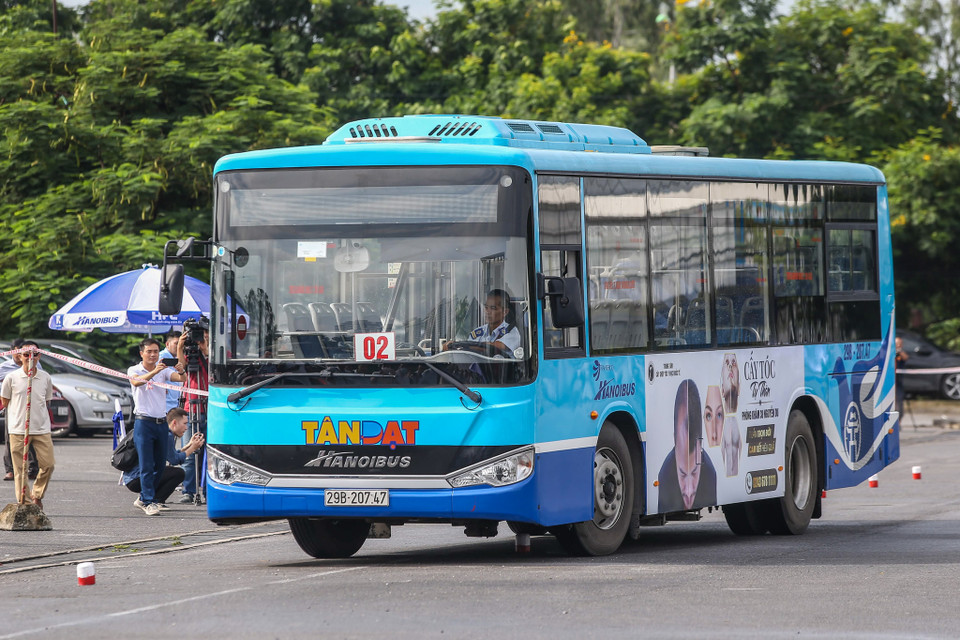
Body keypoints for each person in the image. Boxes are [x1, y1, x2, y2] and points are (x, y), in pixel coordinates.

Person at [129, 337, 186, 516]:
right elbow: (136, 382)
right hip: (143, 422)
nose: (153, 355)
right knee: (146, 464)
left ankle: (145, 497)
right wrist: (154, 372)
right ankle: (148, 500)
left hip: (161, 422)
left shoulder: (163, 370)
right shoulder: (135, 369)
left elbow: (180, 379)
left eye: (155, 351)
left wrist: (181, 370)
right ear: (142, 353)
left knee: (160, 465)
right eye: (149, 351)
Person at [0, 341, 54, 510]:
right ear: (19, 356)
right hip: (18, 428)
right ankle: (25, 502)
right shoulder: (11, 377)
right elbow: (5, 401)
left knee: (48, 465)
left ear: (39, 356)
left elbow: (47, 401)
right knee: (20, 469)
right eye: (26, 354)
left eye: (35, 354)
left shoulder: (45, 377)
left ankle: (37, 494)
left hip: (41, 428)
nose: (30, 358)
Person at [122, 407, 204, 513]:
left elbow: (171, 454)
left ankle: (148, 498)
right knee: (179, 473)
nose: (186, 428)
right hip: (136, 478)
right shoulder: (167, 435)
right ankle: (155, 500)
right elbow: (174, 460)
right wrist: (193, 448)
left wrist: (189, 445)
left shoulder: (165, 433)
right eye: (184, 423)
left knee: (169, 470)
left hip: (132, 478)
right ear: (174, 423)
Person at [657, 379, 717, 512]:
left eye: (695, 472)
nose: (689, 491)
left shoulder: (710, 473)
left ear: (701, 444)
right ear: (674, 440)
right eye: (682, 474)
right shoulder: (664, 476)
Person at [176, 318, 209, 504]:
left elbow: (217, 371)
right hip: (192, 407)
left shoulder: (218, 352)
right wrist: (180, 347)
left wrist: (206, 350)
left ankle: (207, 490)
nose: (201, 337)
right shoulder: (188, 351)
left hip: (210, 407)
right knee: (189, 449)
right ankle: (188, 491)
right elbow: (182, 372)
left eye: (205, 334)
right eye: (199, 334)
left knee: (210, 451)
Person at [2, 338, 40, 481]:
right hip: (13, 406)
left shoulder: (36, 364)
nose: (26, 357)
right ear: (15, 352)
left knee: (32, 437)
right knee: (11, 438)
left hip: (31, 405)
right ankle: (10, 470)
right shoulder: (5, 368)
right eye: (23, 353)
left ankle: (33, 468)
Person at [446, 289, 521, 357]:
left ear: (505, 312)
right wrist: (452, 347)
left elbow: (495, 347)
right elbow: (467, 354)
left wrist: (465, 346)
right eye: (486, 307)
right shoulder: (477, 332)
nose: (487, 312)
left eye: (493, 308)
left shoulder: (512, 332)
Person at [158, 331, 182, 413]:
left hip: (175, 404)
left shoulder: (178, 358)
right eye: (176, 343)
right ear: (167, 344)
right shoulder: (160, 357)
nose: (179, 346)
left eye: (181, 344)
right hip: (165, 405)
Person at [895, 335, 908, 416]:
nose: (897, 346)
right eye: (896, 344)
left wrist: (899, 351)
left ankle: (899, 418)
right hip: (890, 380)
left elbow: (906, 358)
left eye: (899, 344)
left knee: (899, 400)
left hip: (898, 381)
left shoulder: (901, 353)